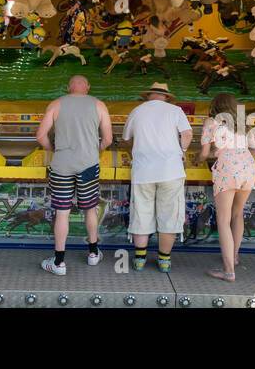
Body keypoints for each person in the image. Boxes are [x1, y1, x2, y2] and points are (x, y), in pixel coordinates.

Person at [36, 75, 113, 275]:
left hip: (61, 165)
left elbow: (40, 135)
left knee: (62, 212)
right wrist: (95, 151)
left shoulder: (56, 104)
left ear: (69, 88)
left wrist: (54, 149)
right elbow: (108, 139)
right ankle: (93, 254)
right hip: (88, 165)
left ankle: (59, 263)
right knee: (90, 209)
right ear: (87, 87)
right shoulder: (99, 105)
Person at [122, 82, 193, 273]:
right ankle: (164, 260)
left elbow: (126, 138)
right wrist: (182, 150)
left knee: (141, 212)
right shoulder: (175, 110)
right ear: (167, 97)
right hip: (171, 170)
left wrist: (137, 149)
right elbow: (187, 133)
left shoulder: (137, 111)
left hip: (143, 171)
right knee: (169, 215)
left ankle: (139, 259)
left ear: (148, 96)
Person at [199, 92, 255, 282]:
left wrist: (196, 158)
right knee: (237, 214)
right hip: (248, 168)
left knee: (224, 220)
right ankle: (233, 258)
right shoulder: (243, 124)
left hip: (227, 169)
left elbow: (204, 154)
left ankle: (228, 272)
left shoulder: (211, 123)